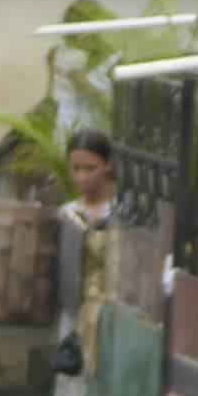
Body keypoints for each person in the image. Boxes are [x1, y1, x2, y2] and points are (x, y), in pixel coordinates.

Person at [50, 130, 120, 379]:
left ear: (108, 166)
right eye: (75, 169)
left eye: (90, 169)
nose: (81, 177)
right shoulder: (68, 215)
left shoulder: (123, 214)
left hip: (112, 318)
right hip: (75, 319)